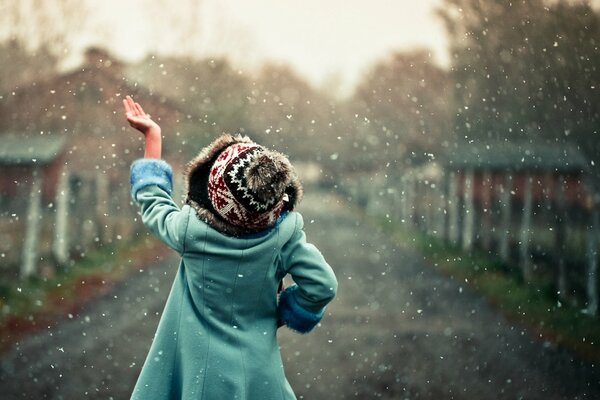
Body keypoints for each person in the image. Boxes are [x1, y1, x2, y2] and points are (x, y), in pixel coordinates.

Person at [123, 95, 338, 399]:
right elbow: (323, 285)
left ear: (210, 192)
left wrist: (152, 137)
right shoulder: (284, 237)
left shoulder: (190, 232)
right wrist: (284, 312)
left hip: (202, 376)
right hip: (261, 375)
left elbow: (153, 201)